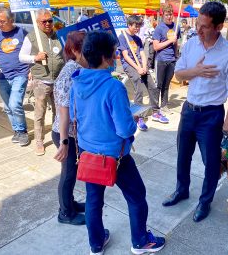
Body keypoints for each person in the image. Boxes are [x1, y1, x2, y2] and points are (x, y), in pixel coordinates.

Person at [69, 30, 165, 255]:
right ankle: (140, 242)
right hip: (115, 155)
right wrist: (134, 118)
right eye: (114, 53)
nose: (116, 58)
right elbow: (124, 129)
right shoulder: (113, 87)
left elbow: (77, 118)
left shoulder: (77, 82)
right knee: (137, 196)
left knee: (94, 200)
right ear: (104, 57)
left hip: (87, 153)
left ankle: (96, 243)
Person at [162, 1, 228, 223]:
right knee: (183, 156)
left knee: (210, 162)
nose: (198, 29)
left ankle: (205, 201)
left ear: (218, 26)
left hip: (211, 115)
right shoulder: (190, 45)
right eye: (198, 23)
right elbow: (178, 75)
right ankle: (182, 190)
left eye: (205, 26)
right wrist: (195, 71)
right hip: (188, 111)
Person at [52, 31, 88, 225]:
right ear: (74, 50)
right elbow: (64, 110)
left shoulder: (77, 68)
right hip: (65, 133)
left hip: (72, 132)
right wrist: (65, 142)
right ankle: (65, 213)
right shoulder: (70, 71)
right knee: (68, 175)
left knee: (71, 174)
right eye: (86, 49)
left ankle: (70, 203)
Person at [19, 9, 65, 155]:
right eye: (43, 21)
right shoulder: (32, 37)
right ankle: (39, 141)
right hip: (41, 81)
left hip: (58, 80)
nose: (47, 24)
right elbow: (21, 57)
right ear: (38, 22)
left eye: (50, 21)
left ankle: (58, 137)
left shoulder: (58, 35)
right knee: (40, 113)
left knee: (59, 112)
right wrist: (35, 58)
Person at [118, 15, 168, 131]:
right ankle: (138, 116)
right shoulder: (122, 37)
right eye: (136, 26)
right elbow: (126, 56)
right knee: (139, 87)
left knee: (152, 86)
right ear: (129, 25)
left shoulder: (138, 39)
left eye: (139, 27)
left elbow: (142, 54)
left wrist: (144, 67)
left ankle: (156, 111)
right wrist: (138, 68)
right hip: (130, 65)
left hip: (141, 65)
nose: (137, 29)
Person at [0, 7, 29, 146]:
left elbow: (32, 52)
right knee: (7, 107)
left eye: (2, 21)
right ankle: (17, 130)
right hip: (2, 76)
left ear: (11, 20)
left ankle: (23, 132)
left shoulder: (22, 33)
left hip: (20, 73)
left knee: (14, 103)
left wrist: (32, 70)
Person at [152, 4, 181, 114]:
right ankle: (155, 108)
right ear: (163, 15)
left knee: (167, 85)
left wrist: (177, 56)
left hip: (172, 60)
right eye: (167, 15)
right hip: (161, 59)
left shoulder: (176, 27)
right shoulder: (159, 28)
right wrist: (170, 41)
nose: (169, 17)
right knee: (159, 85)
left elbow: (176, 43)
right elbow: (155, 47)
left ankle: (164, 106)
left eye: (171, 14)